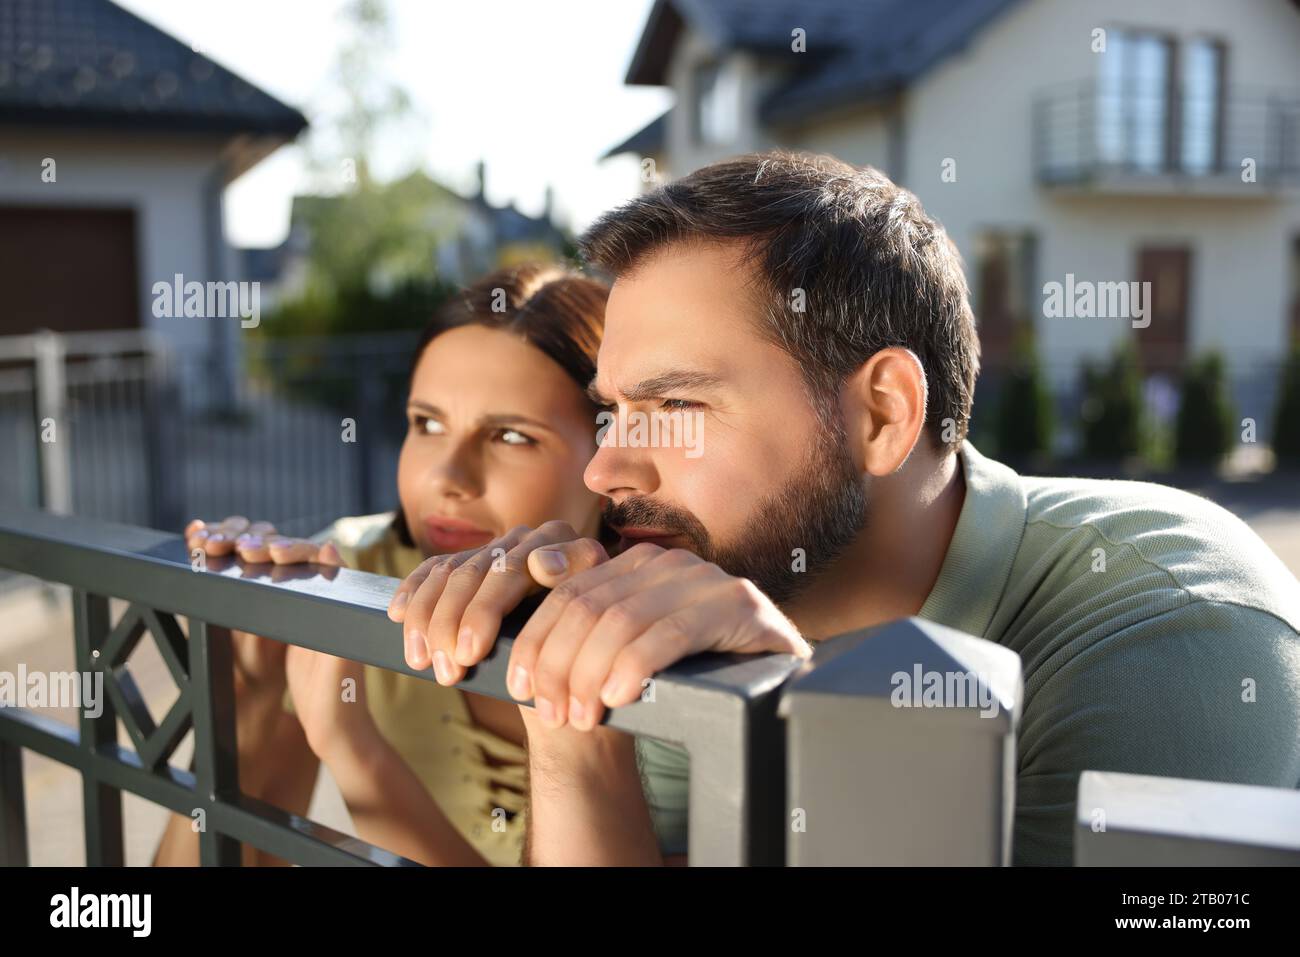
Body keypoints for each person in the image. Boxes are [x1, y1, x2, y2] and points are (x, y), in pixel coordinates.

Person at [388, 151, 1300, 866]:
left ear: (883, 414)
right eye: (611, 412)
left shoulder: (1171, 625)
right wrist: (571, 726)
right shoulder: (698, 603)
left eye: (674, 409)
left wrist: (803, 739)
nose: (607, 469)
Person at [154, 262, 613, 866]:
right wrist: (251, 694)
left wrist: (356, 751)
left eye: (510, 437)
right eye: (426, 424)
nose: (445, 477)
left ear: (612, 457)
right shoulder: (354, 572)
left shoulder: (664, 629)